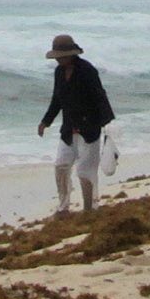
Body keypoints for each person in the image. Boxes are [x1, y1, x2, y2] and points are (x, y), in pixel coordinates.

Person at [37, 34, 114, 213]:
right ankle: (63, 207)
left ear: (71, 54)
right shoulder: (59, 72)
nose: (58, 59)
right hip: (68, 128)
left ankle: (91, 207)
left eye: (61, 56)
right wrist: (45, 121)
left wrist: (108, 123)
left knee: (85, 171)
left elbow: (100, 97)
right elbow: (57, 99)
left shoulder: (87, 70)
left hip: (90, 128)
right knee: (61, 166)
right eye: (56, 56)